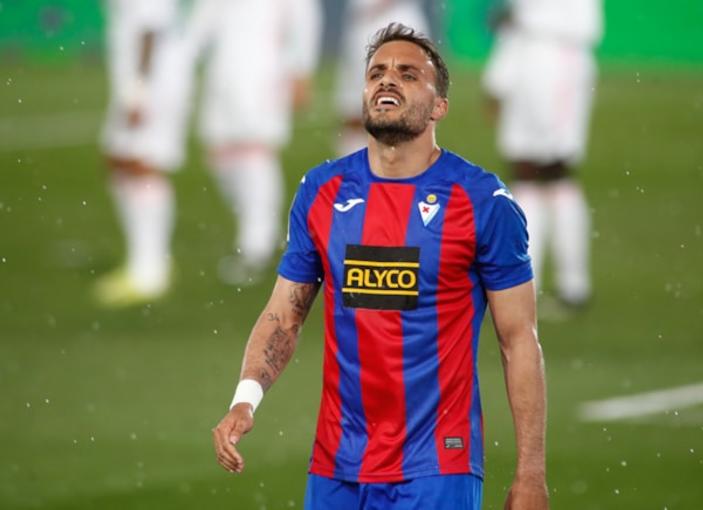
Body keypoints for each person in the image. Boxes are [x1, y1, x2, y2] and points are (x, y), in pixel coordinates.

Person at [213, 23, 548, 510]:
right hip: (336, 464)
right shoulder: (322, 191)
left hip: (437, 466)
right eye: (376, 73)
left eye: (408, 74)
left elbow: (518, 340)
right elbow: (284, 314)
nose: (387, 80)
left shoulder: (481, 201)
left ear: (439, 107)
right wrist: (245, 399)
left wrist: (530, 474)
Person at [188, 0, 322, 285]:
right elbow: (205, 17)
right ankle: (266, 233)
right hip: (222, 68)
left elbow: (305, 19)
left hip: (264, 68)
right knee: (220, 153)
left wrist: (302, 69)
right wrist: (185, 54)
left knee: (254, 151)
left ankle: (255, 246)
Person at [482, 0, 603, 308]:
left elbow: (586, 25)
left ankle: (570, 286)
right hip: (528, 59)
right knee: (527, 172)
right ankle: (528, 285)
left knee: (552, 171)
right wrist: (499, 76)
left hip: (557, 61)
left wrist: (522, 24)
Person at [94, 0, 191, 307]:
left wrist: (140, 90)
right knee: (120, 161)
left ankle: (150, 272)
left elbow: (151, 30)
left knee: (142, 164)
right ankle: (145, 260)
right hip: (140, 80)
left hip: (154, 83)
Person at [334, 0, 429, 156]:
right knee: (355, 112)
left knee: (407, 113)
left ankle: (400, 164)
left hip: (396, 20)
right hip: (363, 21)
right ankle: (355, 165)